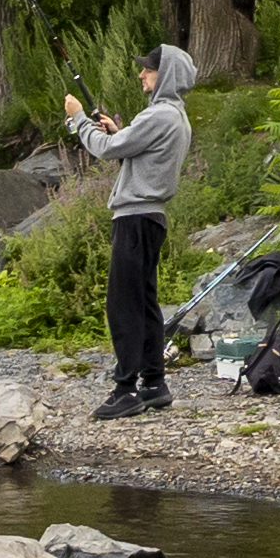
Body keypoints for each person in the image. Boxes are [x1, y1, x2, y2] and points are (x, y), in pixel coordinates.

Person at [62, 43, 198, 418]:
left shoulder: (158, 117)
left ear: (165, 74)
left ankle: (125, 391)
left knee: (123, 305)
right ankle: (154, 384)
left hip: (134, 219)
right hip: (151, 220)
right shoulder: (174, 117)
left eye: (148, 70)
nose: (141, 74)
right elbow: (135, 151)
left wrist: (78, 120)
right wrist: (122, 132)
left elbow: (105, 150)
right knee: (145, 303)